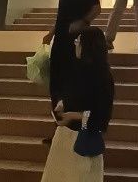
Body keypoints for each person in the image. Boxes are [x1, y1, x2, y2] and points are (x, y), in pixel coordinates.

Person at [41, 26, 114, 182]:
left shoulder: (103, 78)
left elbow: (101, 116)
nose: (75, 44)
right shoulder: (77, 70)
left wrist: (73, 116)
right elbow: (69, 95)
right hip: (63, 137)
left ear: (88, 46)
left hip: (83, 141)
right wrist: (62, 104)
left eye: (78, 41)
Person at [42, 0, 101, 142]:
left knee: (71, 86)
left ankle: (70, 131)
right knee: (56, 87)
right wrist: (51, 33)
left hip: (76, 44)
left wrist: (83, 22)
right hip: (60, 43)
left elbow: (96, 9)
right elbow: (61, 16)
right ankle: (58, 131)